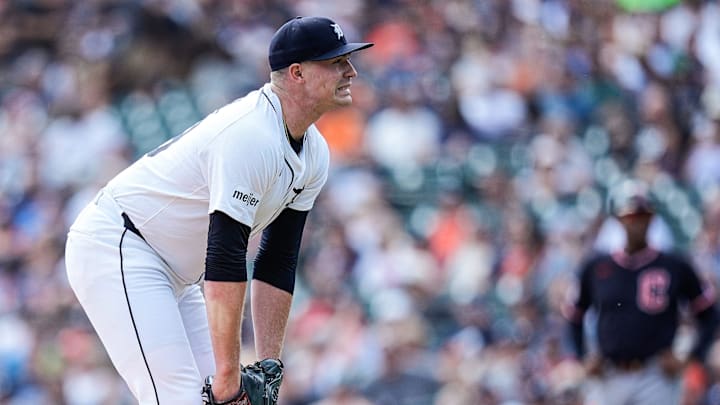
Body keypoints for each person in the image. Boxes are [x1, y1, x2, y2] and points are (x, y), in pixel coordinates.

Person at [64, 16, 373, 404]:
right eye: (336, 62)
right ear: (297, 73)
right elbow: (224, 257)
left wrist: (268, 364)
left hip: (175, 270)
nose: (351, 70)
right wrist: (229, 374)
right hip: (119, 245)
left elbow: (278, 259)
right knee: (181, 399)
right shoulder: (250, 134)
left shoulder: (314, 151)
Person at [564, 182, 719, 405]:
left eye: (642, 216)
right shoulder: (597, 267)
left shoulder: (673, 265)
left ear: (651, 218)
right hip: (610, 372)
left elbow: (709, 314)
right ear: (618, 219)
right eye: (631, 217)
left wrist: (690, 358)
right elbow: (574, 315)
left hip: (655, 373)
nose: (636, 223)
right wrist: (581, 358)